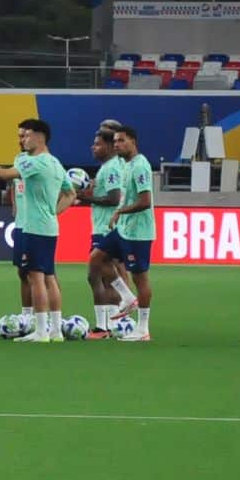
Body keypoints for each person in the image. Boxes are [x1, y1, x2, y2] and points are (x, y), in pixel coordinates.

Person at [0, 118, 74, 344]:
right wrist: (53, 212)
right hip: (47, 226)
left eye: (27, 136)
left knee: (35, 277)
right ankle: (55, 330)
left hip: (33, 227)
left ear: (39, 136)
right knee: (49, 276)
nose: (23, 140)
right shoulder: (55, 163)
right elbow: (71, 193)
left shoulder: (35, 162)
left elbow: (3, 175)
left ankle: (41, 331)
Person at [76, 127, 138, 337]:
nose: (93, 147)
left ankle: (112, 317)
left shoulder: (111, 168)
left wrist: (84, 197)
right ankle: (109, 325)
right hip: (106, 227)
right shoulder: (110, 167)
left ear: (110, 146)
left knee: (97, 274)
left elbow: (113, 198)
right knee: (100, 276)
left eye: (98, 144)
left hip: (106, 228)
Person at [108, 124, 156, 342]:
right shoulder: (125, 164)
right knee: (96, 259)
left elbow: (145, 201)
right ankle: (127, 297)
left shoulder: (140, 166)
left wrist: (120, 211)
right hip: (124, 229)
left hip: (138, 232)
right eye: (115, 141)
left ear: (133, 142)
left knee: (140, 278)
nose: (117, 145)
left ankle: (143, 329)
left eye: (121, 140)